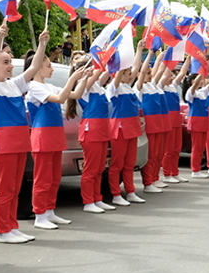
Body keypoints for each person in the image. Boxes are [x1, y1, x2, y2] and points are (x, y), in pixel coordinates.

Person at [0, 20, 42, 243]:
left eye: (11, 61)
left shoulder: (14, 84)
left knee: (14, 187)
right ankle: (2, 230)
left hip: (20, 140)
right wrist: (0, 37)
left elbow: (33, 68)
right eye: (6, 62)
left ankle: (12, 227)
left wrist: (41, 44)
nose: (10, 65)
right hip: (3, 141)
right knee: (4, 188)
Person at [27, 40, 90, 228]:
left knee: (55, 176)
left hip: (54, 135)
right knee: (43, 177)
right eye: (48, 66)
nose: (52, 69)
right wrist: (71, 79)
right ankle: (39, 215)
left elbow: (75, 94)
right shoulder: (33, 87)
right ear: (37, 68)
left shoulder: (48, 86)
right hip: (42, 136)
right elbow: (61, 98)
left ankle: (49, 210)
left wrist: (84, 76)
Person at [65, 58, 115, 213]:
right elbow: (99, 71)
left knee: (100, 167)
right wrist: (102, 57)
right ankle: (88, 201)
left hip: (101, 129)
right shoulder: (84, 86)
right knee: (91, 168)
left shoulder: (97, 86)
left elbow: (106, 72)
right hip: (91, 130)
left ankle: (97, 198)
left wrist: (111, 58)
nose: (95, 70)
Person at [107, 43, 147, 207]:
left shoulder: (129, 88)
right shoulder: (112, 88)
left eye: (129, 72)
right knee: (117, 163)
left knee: (130, 162)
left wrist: (138, 50)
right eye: (125, 72)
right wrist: (121, 62)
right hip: (120, 127)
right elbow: (117, 77)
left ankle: (130, 192)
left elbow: (136, 67)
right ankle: (116, 194)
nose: (129, 74)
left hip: (131, 127)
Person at [137, 57, 171, 194]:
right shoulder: (138, 87)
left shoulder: (153, 86)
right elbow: (145, 69)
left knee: (157, 153)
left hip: (158, 123)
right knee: (150, 155)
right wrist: (150, 54)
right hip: (149, 124)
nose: (150, 75)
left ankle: (155, 177)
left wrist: (168, 57)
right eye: (147, 73)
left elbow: (162, 70)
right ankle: (148, 181)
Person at [160, 58, 190, 184]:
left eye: (173, 75)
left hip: (176, 119)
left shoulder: (172, 87)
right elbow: (165, 72)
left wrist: (189, 58)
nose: (172, 77)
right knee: (169, 149)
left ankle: (175, 172)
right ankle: (167, 173)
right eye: (170, 75)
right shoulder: (160, 87)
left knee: (177, 147)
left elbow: (182, 73)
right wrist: (169, 59)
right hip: (168, 119)